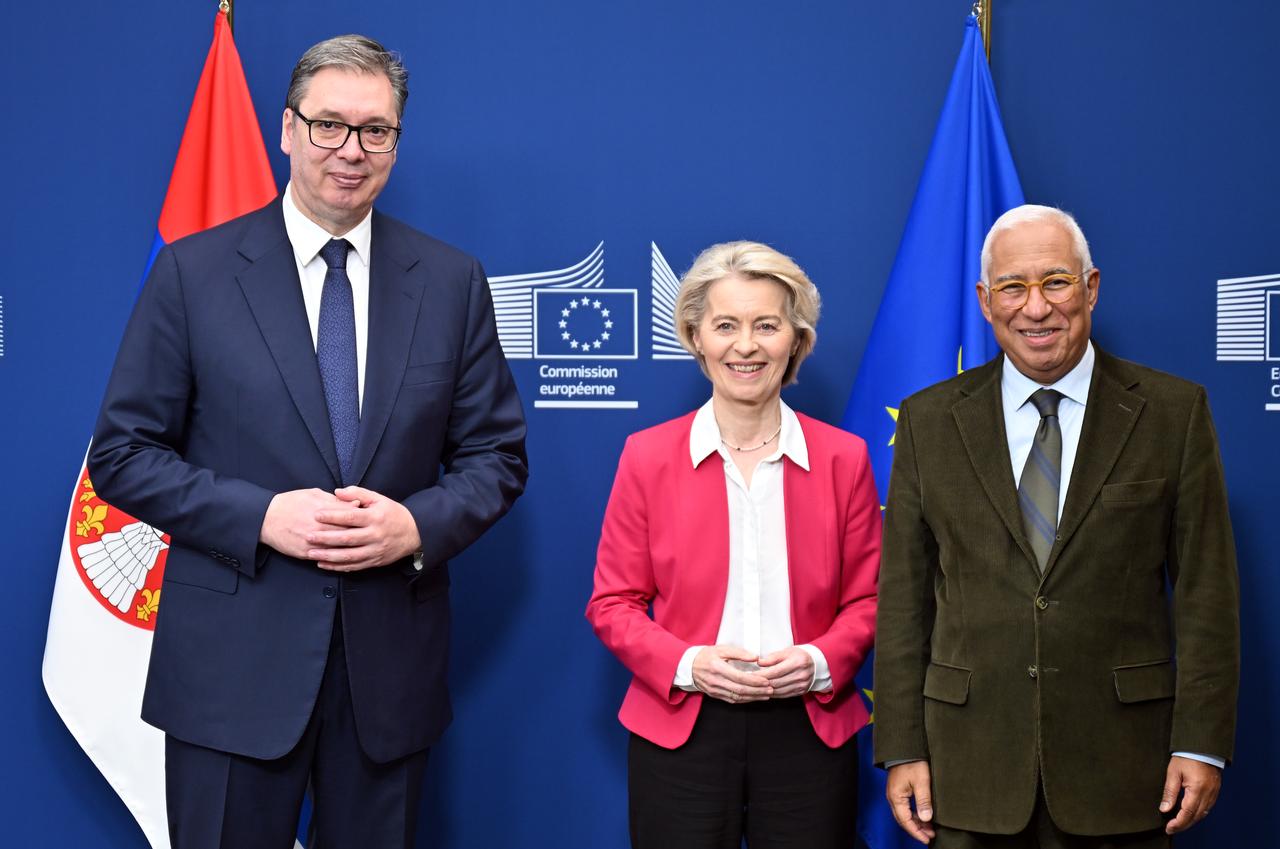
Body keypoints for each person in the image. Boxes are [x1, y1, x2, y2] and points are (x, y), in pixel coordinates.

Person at [88, 34, 527, 848]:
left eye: (375, 130)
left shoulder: (451, 281)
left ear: (398, 141)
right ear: (285, 129)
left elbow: (495, 458)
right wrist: (259, 516)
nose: (350, 151)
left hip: (386, 676)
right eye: (329, 125)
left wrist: (416, 526)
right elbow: (123, 454)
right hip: (229, 672)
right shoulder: (194, 273)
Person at [873, 205, 1239, 848]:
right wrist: (902, 746)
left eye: (1056, 282)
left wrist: (1202, 744)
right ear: (986, 302)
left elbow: (1208, 595)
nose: (1035, 307)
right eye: (1013, 287)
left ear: (1091, 288)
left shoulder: (1173, 413)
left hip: (1125, 772)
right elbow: (903, 600)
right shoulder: (928, 422)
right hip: (968, 772)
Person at [586, 241, 880, 848]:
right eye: (726, 325)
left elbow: (871, 601)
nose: (745, 346)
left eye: (766, 325)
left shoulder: (843, 458)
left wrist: (818, 662)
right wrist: (691, 665)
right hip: (682, 732)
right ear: (696, 337)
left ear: (795, 341)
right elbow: (612, 604)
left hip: (810, 731)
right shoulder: (647, 457)